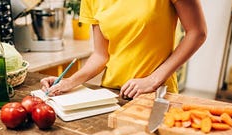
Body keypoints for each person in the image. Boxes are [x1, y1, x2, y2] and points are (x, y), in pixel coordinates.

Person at [40, 0, 207, 99]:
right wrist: (70, 81)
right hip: (112, 94)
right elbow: (100, 55)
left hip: (156, 94)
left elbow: (197, 32)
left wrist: (153, 80)